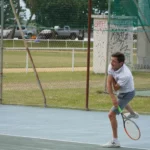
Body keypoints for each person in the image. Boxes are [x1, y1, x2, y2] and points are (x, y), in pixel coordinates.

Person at [102, 52, 139, 148]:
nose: (111, 63)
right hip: (122, 92)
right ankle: (133, 114)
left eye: (114, 61)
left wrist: (115, 98)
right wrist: (113, 97)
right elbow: (108, 83)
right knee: (121, 103)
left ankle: (115, 141)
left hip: (128, 93)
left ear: (121, 63)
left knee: (111, 115)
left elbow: (115, 88)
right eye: (111, 60)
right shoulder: (111, 66)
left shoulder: (125, 75)